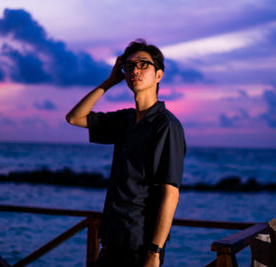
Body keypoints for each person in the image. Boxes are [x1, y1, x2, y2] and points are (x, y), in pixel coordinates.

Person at [66, 39, 186, 267]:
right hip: (112, 239)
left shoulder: (167, 126)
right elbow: (75, 118)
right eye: (129, 66)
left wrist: (154, 252)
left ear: (159, 75)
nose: (135, 70)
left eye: (143, 64)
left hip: (141, 245)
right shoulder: (125, 120)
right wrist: (109, 82)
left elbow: (170, 193)